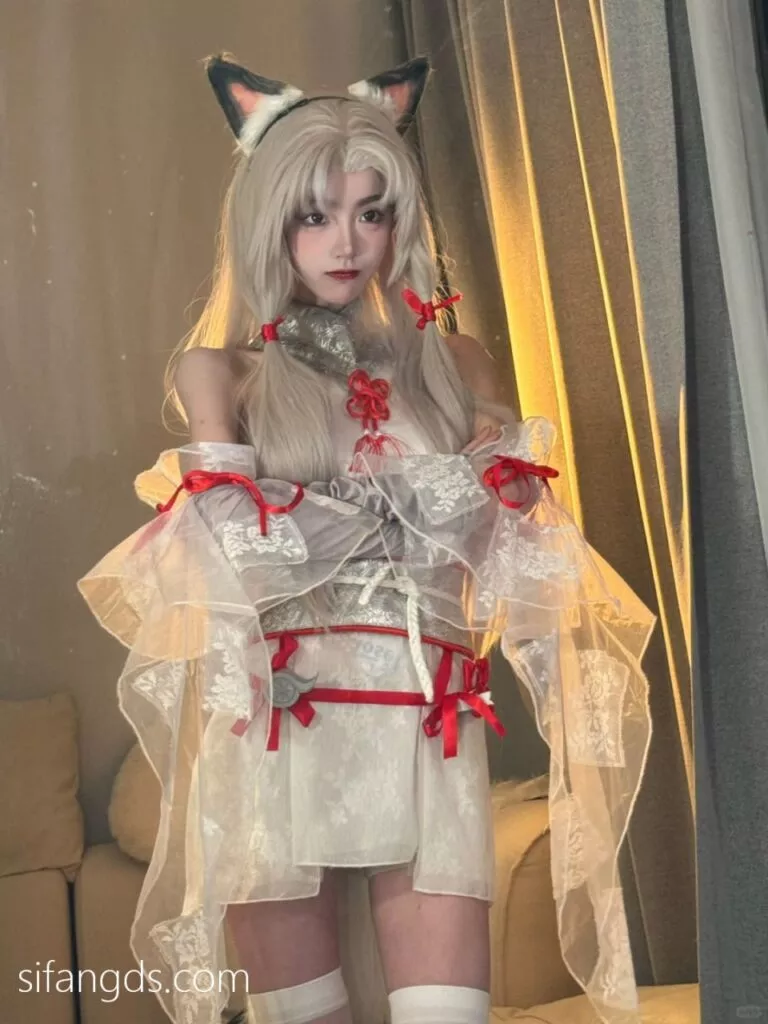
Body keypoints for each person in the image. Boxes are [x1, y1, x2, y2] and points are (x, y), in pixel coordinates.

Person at [78, 53, 655, 1024]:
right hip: (279, 740)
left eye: (371, 212)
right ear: (269, 223)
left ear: (401, 221)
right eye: (314, 215)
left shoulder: (457, 364)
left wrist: (466, 502)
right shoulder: (221, 374)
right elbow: (223, 558)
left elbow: (509, 551)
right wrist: (406, 506)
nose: (345, 242)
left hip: (428, 729)